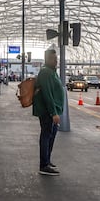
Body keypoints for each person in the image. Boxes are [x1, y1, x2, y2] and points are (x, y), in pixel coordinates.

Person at [32, 48, 64, 176]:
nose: (56, 61)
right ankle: (44, 165)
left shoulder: (52, 72)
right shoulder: (45, 72)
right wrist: (53, 113)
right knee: (46, 135)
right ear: (47, 59)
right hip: (47, 111)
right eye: (53, 58)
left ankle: (47, 161)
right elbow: (47, 94)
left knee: (51, 135)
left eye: (56, 58)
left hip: (52, 110)